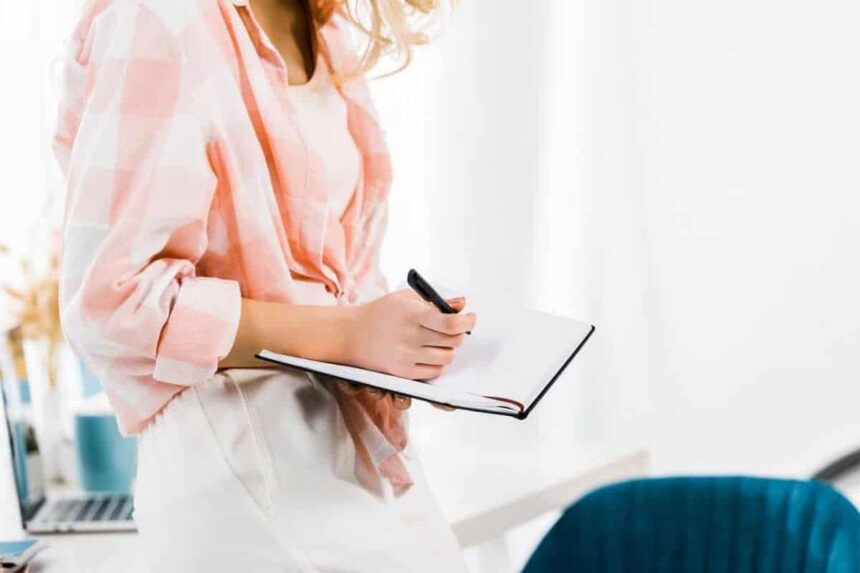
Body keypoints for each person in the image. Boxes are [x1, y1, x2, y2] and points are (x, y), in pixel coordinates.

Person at [54, 0, 475, 570]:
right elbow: (113, 301)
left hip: (350, 448)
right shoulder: (157, 19)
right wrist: (349, 334)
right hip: (239, 467)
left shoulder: (326, 29)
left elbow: (330, 274)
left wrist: (401, 347)